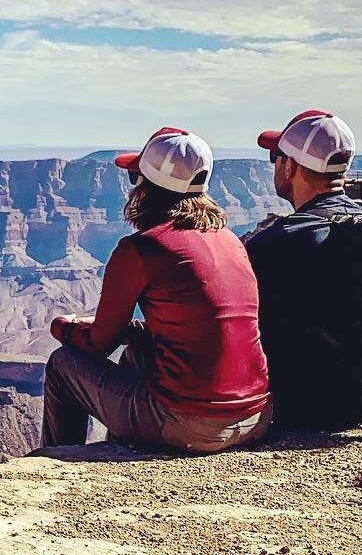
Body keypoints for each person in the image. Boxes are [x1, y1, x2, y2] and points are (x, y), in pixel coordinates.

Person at [44, 127, 272, 452]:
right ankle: (120, 452)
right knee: (138, 354)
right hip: (256, 417)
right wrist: (132, 333)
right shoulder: (229, 240)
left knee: (62, 363)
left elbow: (97, 344)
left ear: (144, 185)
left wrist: (64, 328)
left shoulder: (142, 249)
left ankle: (56, 463)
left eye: (134, 177)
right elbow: (199, 326)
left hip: (192, 426)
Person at [244, 108, 362, 430]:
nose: (275, 164)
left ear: (290, 165)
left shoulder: (278, 243)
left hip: (299, 406)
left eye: (276, 156)